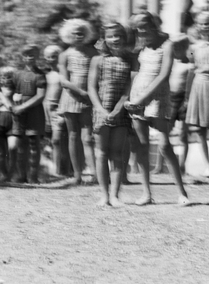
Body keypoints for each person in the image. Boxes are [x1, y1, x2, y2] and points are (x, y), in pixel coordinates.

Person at [125, 12, 190, 206]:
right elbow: (135, 71)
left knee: (164, 145)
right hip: (138, 95)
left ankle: (182, 193)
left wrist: (142, 99)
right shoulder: (140, 46)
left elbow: (163, 75)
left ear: (154, 23)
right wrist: (132, 98)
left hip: (157, 98)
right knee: (142, 145)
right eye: (138, 27)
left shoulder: (167, 44)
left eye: (145, 25)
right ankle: (146, 193)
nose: (142, 30)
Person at [88, 21, 135, 207]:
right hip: (101, 110)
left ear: (124, 38)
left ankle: (115, 195)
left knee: (117, 153)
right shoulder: (98, 60)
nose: (115, 39)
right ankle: (104, 195)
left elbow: (128, 88)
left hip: (120, 111)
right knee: (101, 153)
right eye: (111, 36)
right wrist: (101, 110)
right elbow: (91, 88)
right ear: (104, 39)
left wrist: (117, 110)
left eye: (119, 35)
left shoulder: (130, 59)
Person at [56, 19, 98, 185]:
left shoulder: (92, 52)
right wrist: (81, 92)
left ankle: (95, 174)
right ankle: (77, 175)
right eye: (75, 33)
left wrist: (90, 93)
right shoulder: (64, 54)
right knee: (73, 136)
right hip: (71, 97)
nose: (79, 36)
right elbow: (64, 80)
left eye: (81, 33)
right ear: (69, 35)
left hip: (89, 99)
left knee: (88, 137)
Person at [183, 11, 209, 179]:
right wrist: (187, 95)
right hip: (198, 86)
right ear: (197, 25)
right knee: (199, 128)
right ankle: (208, 165)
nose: (204, 27)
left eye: (207, 23)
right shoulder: (192, 48)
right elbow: (191, 70)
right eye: (201, 23)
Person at [11, 46, 48, 184]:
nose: (29, 58)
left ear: (37, 56)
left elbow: (40, 95)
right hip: (19, 114)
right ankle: (21, 176)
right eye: (26, 55)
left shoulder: (40, 75)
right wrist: (13, 104)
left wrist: (23, 106)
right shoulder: (17, 74)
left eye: (32, 55)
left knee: (34, 142)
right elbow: (10, 91)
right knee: (21, 144)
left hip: (34, 112)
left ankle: (33, 176)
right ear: (22, 57)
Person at [156, 36, 191, 176]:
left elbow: (190, 84)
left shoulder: (189, 64)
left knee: (183, 134)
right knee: (165, 132)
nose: (178, 50)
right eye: (175, 47)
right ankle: (159, 166)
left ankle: (182, 165)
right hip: (169, 98)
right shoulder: (168, 62)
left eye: (181, 47)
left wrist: (187, 101)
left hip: (183, 99)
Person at [41, 44, 69, 178]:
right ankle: (54, 168)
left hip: (59, 109)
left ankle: (61, 169)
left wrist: (62, 108)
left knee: (57, 139)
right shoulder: (45, 74)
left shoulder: (63, 74)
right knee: (49, 140)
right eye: (48, 57)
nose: (51, 59)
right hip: (45, 109)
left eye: (54, 56)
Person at [0, 65, 17, 180]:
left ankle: (12, 173)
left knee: (13, 148)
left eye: (8, 77)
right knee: (0, 151)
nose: (5, 80)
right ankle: (2, 174)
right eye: (2, 77)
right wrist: (2, 100)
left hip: (13, 119)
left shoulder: (17, 90)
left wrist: (5, 99)